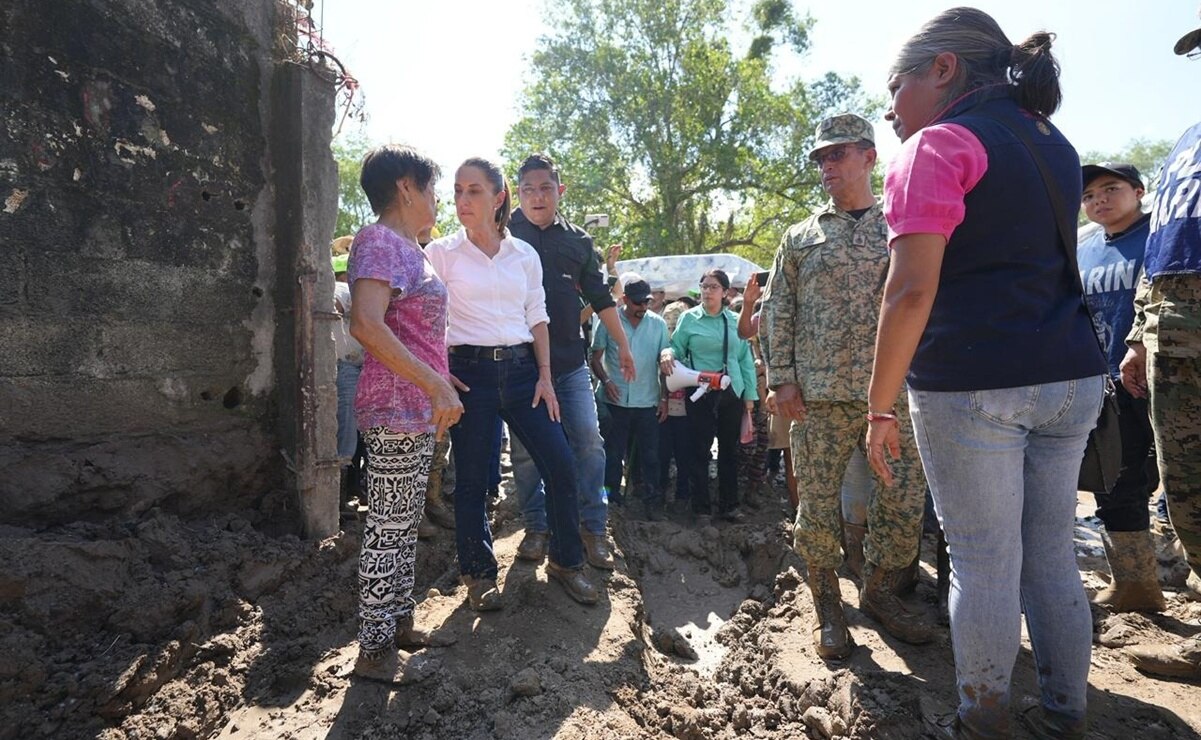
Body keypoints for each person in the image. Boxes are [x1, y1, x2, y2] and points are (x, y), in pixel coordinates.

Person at [866, 9, 1108, 738]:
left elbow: (908, 291)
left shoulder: (937, 145)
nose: (890, 108)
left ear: (942, 70)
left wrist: (878, 408)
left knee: (981, 564)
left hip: (973, 384)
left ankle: (983, 721)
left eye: (896, 85)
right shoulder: (1051, 141)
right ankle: (1066, 714)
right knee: (1049, 558)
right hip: (1069, 376)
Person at [760, 113, 933, 661]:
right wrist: (781, 379)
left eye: (838, 154)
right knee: (816, 506)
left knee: (903, 503)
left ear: (868, 158)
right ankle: (828, 606)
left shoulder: (901, 224)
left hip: (894, 397)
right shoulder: (800, 236)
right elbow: (776, 309)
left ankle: (880, 592)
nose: (827, 165)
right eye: (820, 158)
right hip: (819, 399)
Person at [426, 157, 598, 610]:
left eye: (474, 191)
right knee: (472, 482)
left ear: (498, 198)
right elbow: (427, 320)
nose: (463, 200)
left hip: (525, 375)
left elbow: (537, 317)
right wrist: (440, 373)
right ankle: (479, 576)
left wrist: (545, 376)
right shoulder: (441, 253)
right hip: (469, 376)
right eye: (458, 190)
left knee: (560, 465)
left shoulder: (524, 255)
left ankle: (566, 562)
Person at [346, 145, 462, 682]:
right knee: (389, 527)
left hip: (416, 406)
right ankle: (373, 649)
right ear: (406, 188)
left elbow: (411, 329)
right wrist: (435, 382)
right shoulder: (378, 242)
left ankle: (395, 622)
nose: (438, 199)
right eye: (433, 187)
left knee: (404, 522)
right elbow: (367, 325)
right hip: (395, 407)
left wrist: (441, 376)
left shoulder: (411, 250)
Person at [1119, 10, 1201, 680]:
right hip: (1173, 344)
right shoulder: (1183, 143)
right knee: (1187, 491)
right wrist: (1138, 337)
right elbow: (1161, 251)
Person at [507, 154, 634, 570]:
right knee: (526, 454)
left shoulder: (579, 242)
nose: (537, 197)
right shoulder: (502, 234)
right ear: (517, 192)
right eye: (528, 189)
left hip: (570, 365)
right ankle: (536, 528)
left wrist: (625, 347)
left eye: (546, 188)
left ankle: (592, 528)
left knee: (589, 444)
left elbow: (600, 299)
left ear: (560, 191)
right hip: (519, 366)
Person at [1077, 163, 1165, 613]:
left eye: (1110, 189)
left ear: (1138, 191)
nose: (1099, 201)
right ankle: (1136, 583)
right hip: (1106, 384)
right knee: (1115, 480)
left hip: (1163, 380)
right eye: (1089, 195)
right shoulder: (1083, 247)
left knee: (1176, 483)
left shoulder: (1161, 238)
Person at [659, 268, 758, 525]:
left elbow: (745, 360)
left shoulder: (735, 321)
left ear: (725, 293)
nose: (707, 291)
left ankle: (729, 505)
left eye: (713, 287)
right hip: (699, 392)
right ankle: (700, 507)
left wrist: (750, 396)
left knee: (729, 451)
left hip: (731, 391)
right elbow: (677, 348)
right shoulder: (689, 319)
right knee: (699, 451)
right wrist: (667, 353)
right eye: (704, 286)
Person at [591, 276, 670, 520]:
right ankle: (608, 502)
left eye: (646, 302)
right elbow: (595, 358)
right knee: (611, 455)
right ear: (625, 300)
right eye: (637, 303)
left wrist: (665, 399)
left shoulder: (658, 324)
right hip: (615, 402)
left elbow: (663, 363)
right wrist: (606, 380)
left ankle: (652, 502)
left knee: (651, 456)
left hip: (647, 402)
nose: (642, 308)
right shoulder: (608, 322)